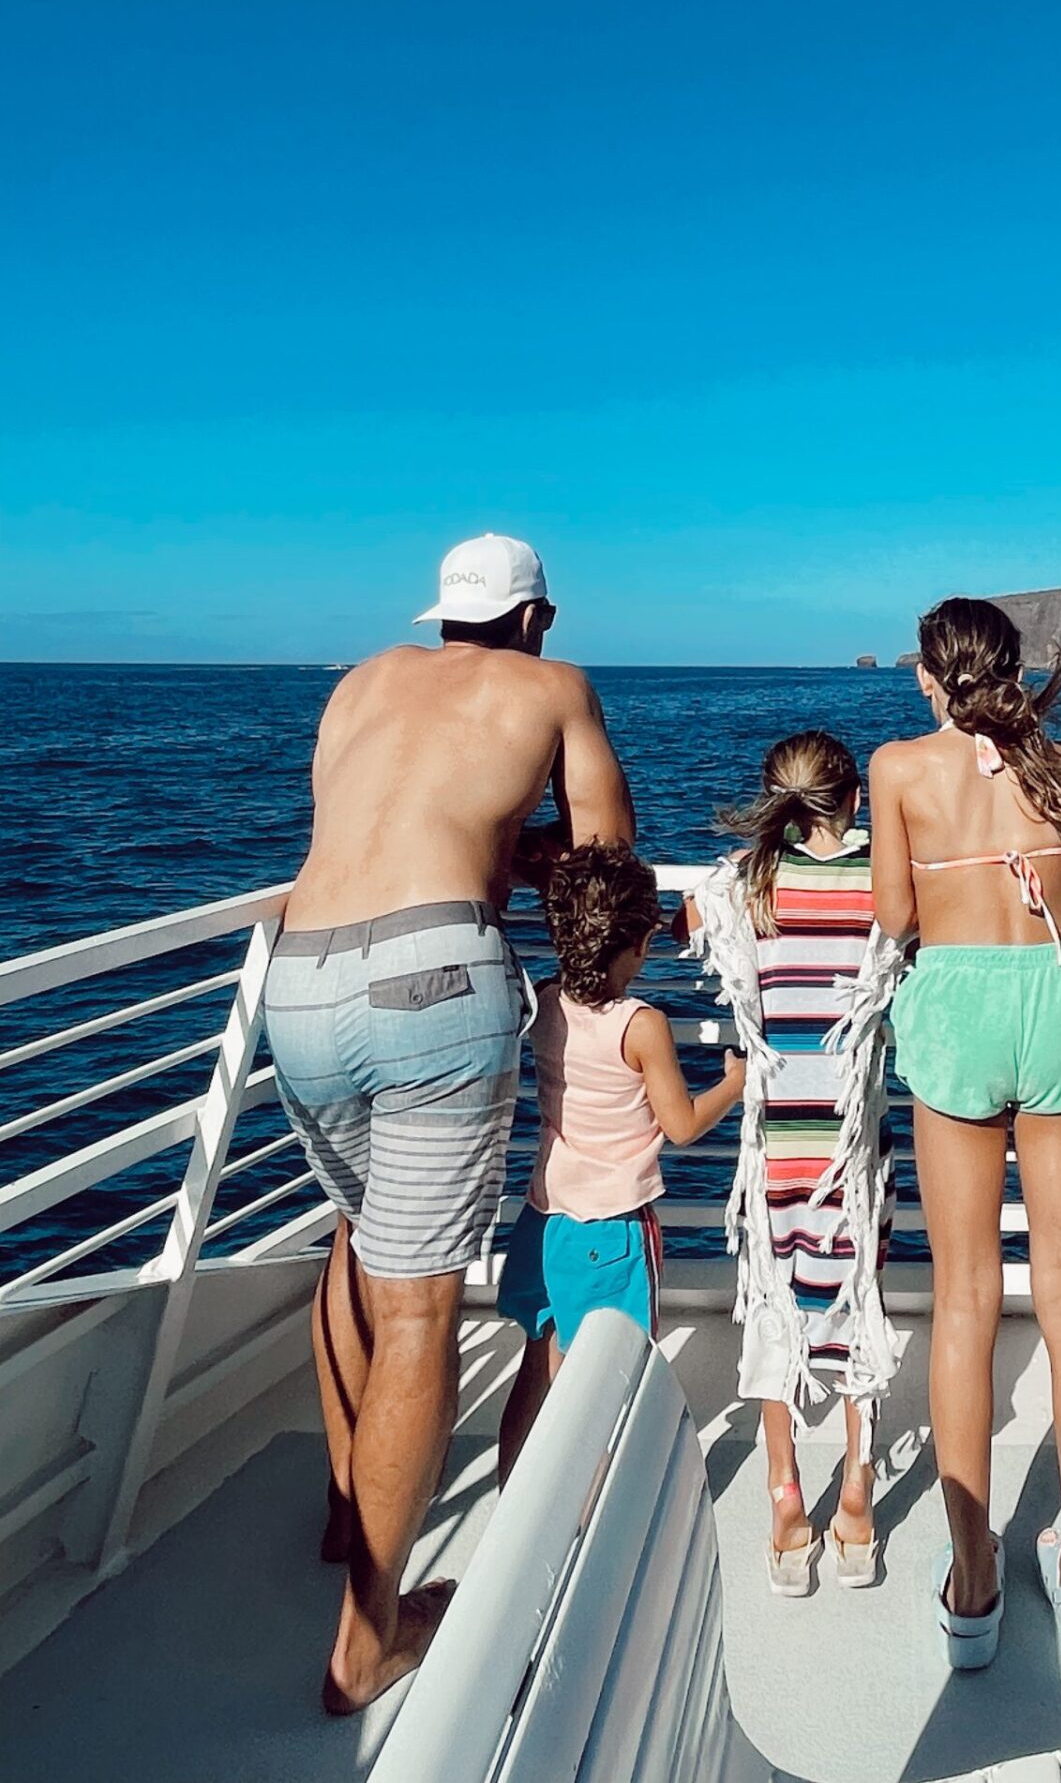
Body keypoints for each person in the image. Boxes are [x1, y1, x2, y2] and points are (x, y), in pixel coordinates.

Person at [264, 533, 634, 1713]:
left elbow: (373, 820)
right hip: (433, 981)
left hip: (300, 975)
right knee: (421, 1295)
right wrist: (530, 858)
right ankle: (368, 1639)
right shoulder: (554, 685)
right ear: (539, 618)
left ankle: (346, 1509)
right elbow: (608, 859)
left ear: (440, 617)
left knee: (356, 1234)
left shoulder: (361, 681)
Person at [870, 598, 1061, 1673]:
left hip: (961, 1005)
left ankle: (974, 1576)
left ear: (933, 676)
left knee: (966, 1294)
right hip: (1057, 995)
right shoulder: (1060, 762)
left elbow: (894, 916)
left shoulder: (896, 768)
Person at [682, 732, 901, 1596]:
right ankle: (856, 1492)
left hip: (776, 1134)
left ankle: (783, 1497)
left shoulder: (748, 882)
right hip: (850, 1137)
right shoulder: (884, 881)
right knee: (856, 1293)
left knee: (774, 1297)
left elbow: (684, 922)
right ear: (853, 800)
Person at [497, 840, 744, 1481]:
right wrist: (736, 1084)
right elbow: (683, 1124)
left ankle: (515, 1495)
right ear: (634, 945)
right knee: (607, 1383)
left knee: (538, 1365)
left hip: (543, 1217)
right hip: (612, 1229)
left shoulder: (547, 1000)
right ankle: (589, 1513)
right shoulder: (642, 1024)